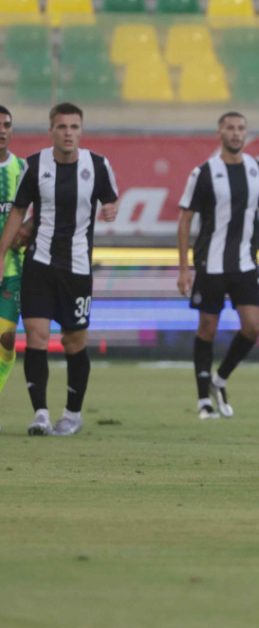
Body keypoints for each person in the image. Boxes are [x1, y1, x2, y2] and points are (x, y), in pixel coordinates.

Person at [0, 102, 119, 436]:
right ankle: (40, 414)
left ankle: (72, 414)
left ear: (81, 130)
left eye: (74, 127)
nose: (68, 133)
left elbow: (110, 199)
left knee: (73, 340)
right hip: (39, 264)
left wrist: (111, 208)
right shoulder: (35, 165)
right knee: (36, 335)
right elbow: (18, 211)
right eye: (62, 127)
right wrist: (2, 253)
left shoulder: (98, 165)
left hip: (77, 268)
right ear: (51, 130)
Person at [176, 111, 259, 420]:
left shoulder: (258, 170)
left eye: (241, 128)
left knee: (254, 326)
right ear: (220, 133)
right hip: (210, 263)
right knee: (207, 328)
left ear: (245, 133)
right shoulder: (204, 173)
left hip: (245, 263)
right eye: (230, 128)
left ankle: (219, 379)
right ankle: (203, 400)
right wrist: (183, 268)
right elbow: (185, 219)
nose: (236, 133)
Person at [0, 105, 29, 429]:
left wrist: (27, 229)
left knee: (5, 344)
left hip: (12, 272)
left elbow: (42, 210)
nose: (2, 130)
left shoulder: (23, 169)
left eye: (6, 124)